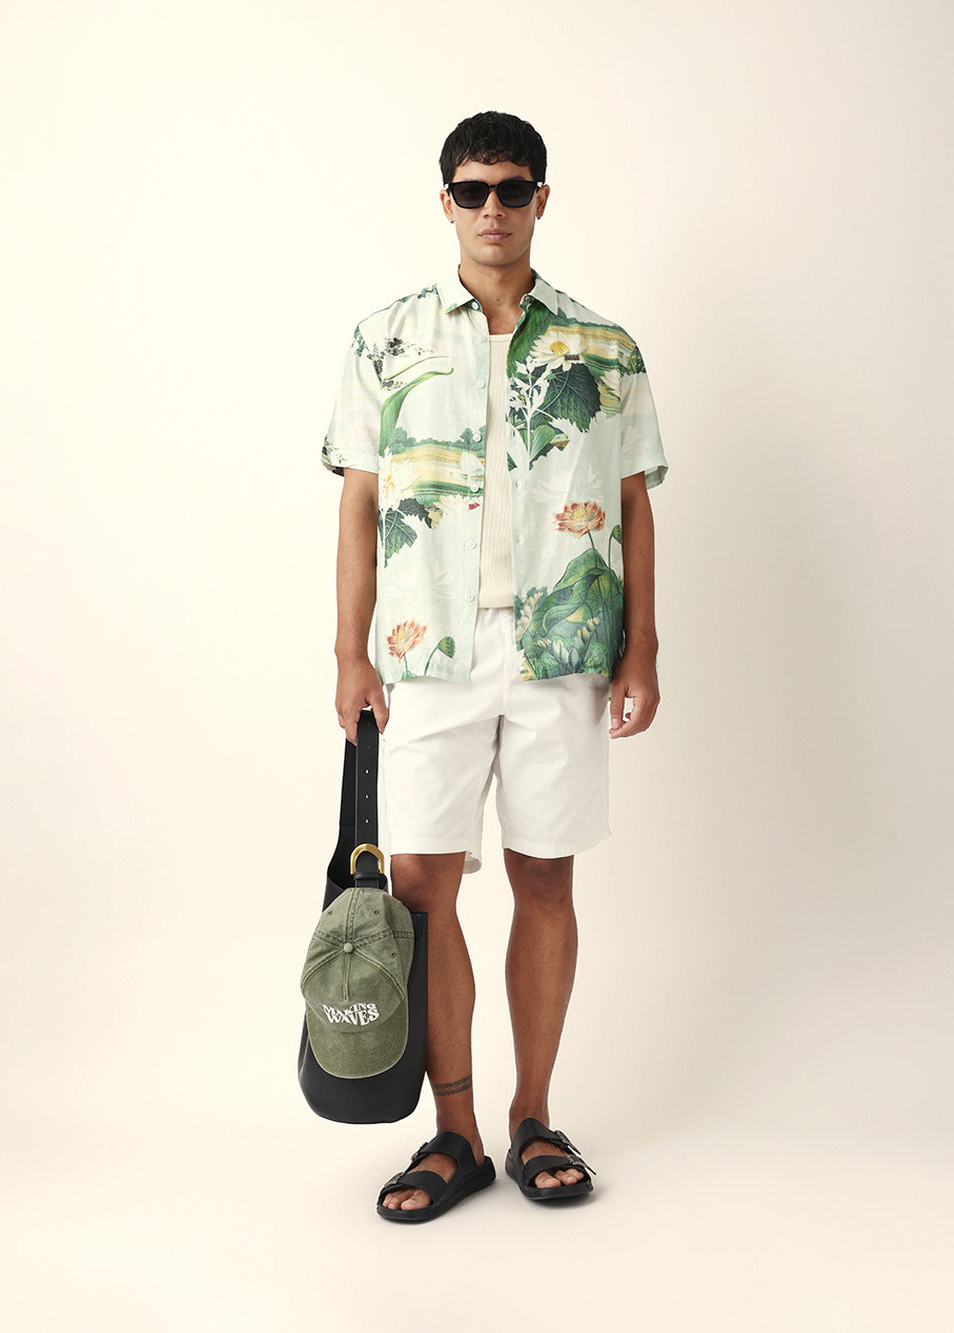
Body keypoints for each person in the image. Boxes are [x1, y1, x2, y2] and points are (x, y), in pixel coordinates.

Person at [323, 110, 668, 1221]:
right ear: (446, 203)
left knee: (544, 877)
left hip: (562, 647)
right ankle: (455, 1130)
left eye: (512, 189)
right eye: (471, 190)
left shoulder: (604, 348)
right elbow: (360, 501)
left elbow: (632, 504)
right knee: (421, 890)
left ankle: (533, 1116)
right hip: (427, 653)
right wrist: (349, 651)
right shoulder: (386, 339)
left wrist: (643, 644)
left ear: (540, 200)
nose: (491, 209)